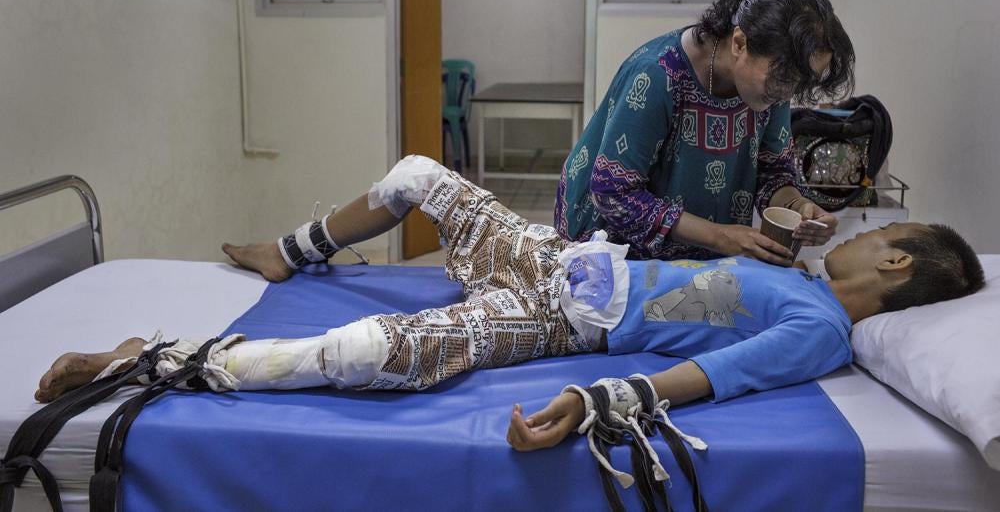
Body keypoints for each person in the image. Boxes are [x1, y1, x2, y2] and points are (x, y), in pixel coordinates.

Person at [34, 157, 983, 463]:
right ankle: (290, 253)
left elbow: (707, 375)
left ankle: (148, 358)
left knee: (371, 349)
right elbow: (704, 290)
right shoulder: (801, 280)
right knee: (418, 174)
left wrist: (604, 402)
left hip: (558, 321)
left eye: (869, 232)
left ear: (895, 259)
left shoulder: (820, 328)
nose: (853, 230)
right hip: (557, 257)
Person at [556, 0, 857, 266]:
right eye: (785, 78)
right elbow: (613, 193)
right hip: (613, 246)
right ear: (740, 43)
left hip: (701, 252)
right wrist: (720, 236)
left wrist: (797, 207)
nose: (789, 92)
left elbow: (773, 171)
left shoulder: (771, 89)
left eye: (800, 82)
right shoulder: (657, 74)